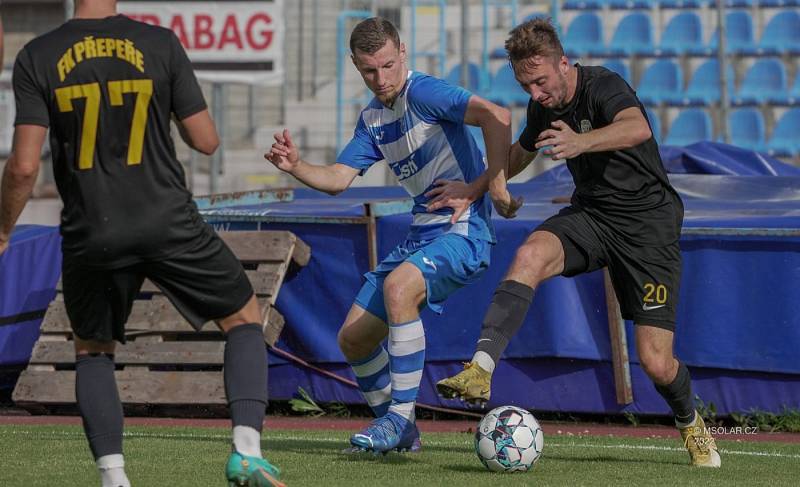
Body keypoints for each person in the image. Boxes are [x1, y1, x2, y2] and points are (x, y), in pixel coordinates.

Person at [0, 1, 284, 486]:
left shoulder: (38, 54)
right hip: (166, 218)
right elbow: (206, 140)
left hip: (93, 230)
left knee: (93, 351)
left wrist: (3, 229)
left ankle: (115, 478)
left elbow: (24, 166)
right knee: (242, 318)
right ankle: (246, 450)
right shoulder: (158, 43)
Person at [435, 18, 721, 468]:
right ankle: (481, 369)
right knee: (529, 253)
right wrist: (480, 187)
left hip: (647, 228)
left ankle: (691, 424)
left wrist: (581, 141)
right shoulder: (542, 106)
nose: (534, 93)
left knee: (656, 362)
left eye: (540, 81)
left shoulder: (604, 85)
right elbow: (520, 151)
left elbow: (637, 128)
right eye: (525, 84)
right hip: (592, 216)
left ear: (563, 64)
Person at [267, 17, 520, 454]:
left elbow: (497, 116)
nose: (381, 79)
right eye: (369, 71)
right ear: (355, 65)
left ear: (402, 52)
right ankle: (401, 432)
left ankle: (399, 420)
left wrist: (492, 185)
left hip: (463, 231)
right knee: (354, 338)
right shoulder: (372, 119)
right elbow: (338, 179)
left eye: (387, 65)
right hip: (422, 234)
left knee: (399, 287)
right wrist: (296, 167)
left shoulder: (423, 92)